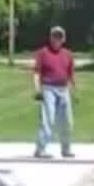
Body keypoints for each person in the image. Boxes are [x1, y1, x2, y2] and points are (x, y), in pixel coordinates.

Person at [32, 25, 75, 158]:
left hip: (63, 89)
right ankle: (40, 149)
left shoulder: (68, 54)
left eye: (59, 36)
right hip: (48, 88)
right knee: (47, 119)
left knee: (67, 120)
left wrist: (74, 88)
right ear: (50, 38)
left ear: (63, 39)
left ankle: (66, 149)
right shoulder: (43, 53)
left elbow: (70, 74)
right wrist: (37, 90)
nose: (57, 39)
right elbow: (36, 73)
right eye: (54, 36)